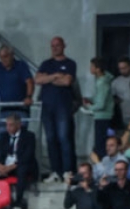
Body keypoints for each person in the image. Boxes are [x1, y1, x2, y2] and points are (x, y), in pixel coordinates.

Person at [35, 37, 78, 183]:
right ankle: (55, 171)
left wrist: (47, 78)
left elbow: (67, 82)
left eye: (57, 45)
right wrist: (55, 76)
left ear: (64, 46)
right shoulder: (46, 64)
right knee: (51, 139)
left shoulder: (70, 63)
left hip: (63, 107)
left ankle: (67, 171)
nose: (54, 48)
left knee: (64, 138)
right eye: (52, 46)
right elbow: (38, 80)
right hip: (47, 107)